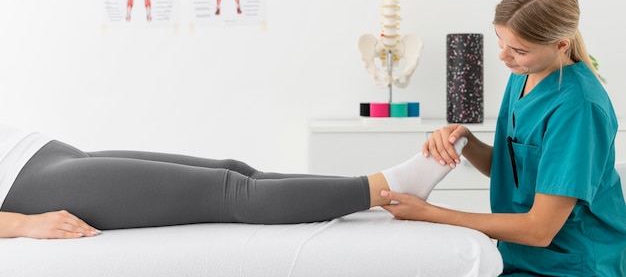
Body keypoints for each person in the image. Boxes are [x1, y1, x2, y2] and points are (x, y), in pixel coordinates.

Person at [381, 0, 626, 276]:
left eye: (518, 50)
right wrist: (467, 142)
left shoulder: (578, 107)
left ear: (561, 45)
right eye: (501, 42)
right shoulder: (525, 73)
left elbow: (540, 230)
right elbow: (514, 168)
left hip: (570, 265)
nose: (503, 56)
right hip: (516, 257)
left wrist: (430, 215)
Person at [0, 123, 467, 239]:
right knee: (231, 194)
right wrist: (22, 226)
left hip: (43, 156)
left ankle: (375, 193)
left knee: (234, 169)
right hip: (32, 189)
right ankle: (392, 186)